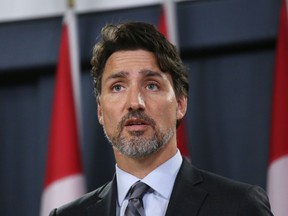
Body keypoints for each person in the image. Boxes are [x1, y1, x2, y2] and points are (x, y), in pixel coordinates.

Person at [49, 21, 273, 216]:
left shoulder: (238, 206)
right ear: (100, 110)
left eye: (151, 85)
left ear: (180, 104)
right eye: (117, 87)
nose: (135, 102)